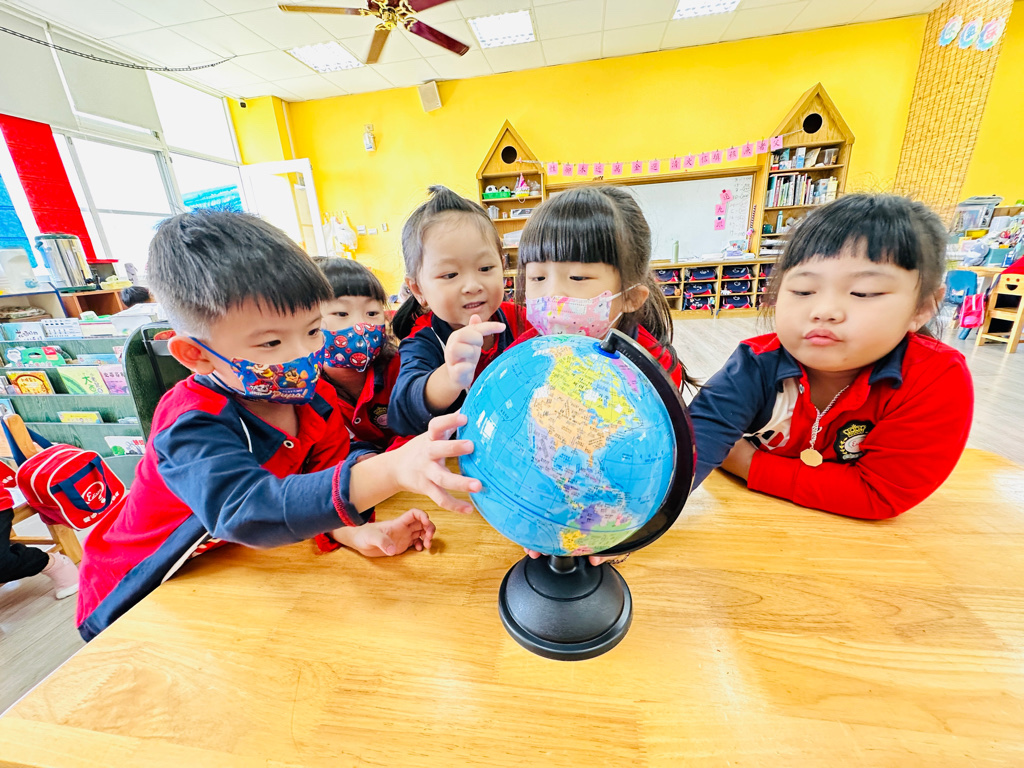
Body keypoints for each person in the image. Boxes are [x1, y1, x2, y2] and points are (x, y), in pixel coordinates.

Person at [76, 211, 480, 641]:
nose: (302, 355)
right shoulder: (189, 422)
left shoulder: (314, 398)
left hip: (222, 580)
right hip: (135, 594)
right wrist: (392, 468)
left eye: (313, 331)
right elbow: (249, 511)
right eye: (271, 342)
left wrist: (355, 532)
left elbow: (320, 480)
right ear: (197, 355)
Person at [688, 194, 973, 519]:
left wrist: (746, 462)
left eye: (864, 293)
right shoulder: (754, 363)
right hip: (754, 520)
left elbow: (880, 494)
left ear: (922, 308)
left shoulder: (934, 377)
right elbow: (685, 456)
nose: (824, 311)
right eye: (803, 291)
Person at [513, 185, 693, 389]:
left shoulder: (655, 370)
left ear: (631, 297)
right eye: (537, 278)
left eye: (578, 277)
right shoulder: (522, 354)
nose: (552, 294)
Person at [389, 186, 529, 436]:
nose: (473, 286)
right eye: (450, 275)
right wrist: (449, 377)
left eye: (485, 268)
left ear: (502, 265)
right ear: (418, 289)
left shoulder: (520, 319)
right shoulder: (423, 340)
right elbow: (401, 413)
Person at [315, 257, 401, 450]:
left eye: (372, 313)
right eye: (342, 314)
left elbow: (416, 427)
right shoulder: (308, 387)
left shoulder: (399, 368)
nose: (361, 325)